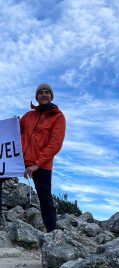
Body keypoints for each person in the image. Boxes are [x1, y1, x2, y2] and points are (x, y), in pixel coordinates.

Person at [20, 83, 66, 232]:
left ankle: (52, 235)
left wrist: (36, 164)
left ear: (51, 96)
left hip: (42, 164)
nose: (44, 94)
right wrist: (13, 124)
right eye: (41, 92)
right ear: (36, 96)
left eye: (47, 92)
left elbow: (55, 144)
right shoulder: (28, 116)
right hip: (20, 160)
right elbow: (13, 133)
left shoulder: (58, 117)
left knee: (45, 198)